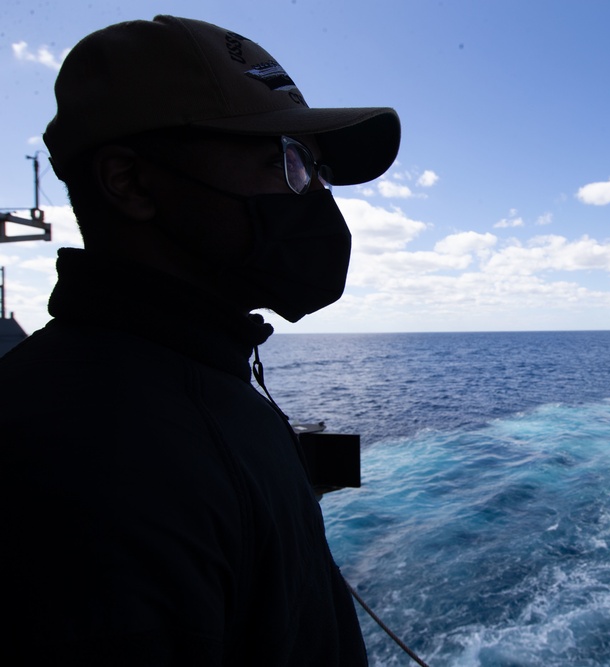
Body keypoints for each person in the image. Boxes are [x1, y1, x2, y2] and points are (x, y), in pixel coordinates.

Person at [0, 15, 400, 665]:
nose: (317, 198)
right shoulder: (93, 469)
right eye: (290, 161)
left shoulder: (202, 385)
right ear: (130, 182)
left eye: (319, 170)